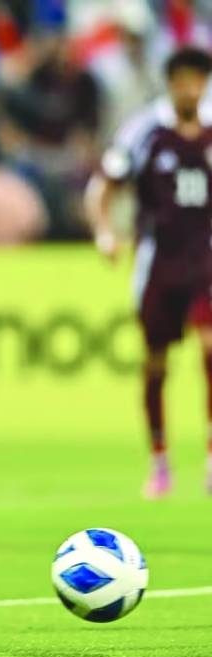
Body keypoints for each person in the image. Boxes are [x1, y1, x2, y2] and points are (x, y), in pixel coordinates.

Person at [86, 47, 212, 498]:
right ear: (171, 82)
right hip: (159, 259)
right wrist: (105, 232)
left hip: (206, 258)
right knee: (156, 363)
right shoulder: (146, 132)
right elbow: (105, 184)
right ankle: (159, 460)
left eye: (198, 79)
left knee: (210, 346)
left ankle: (211, 459)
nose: (190, 88)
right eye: (182, 79)